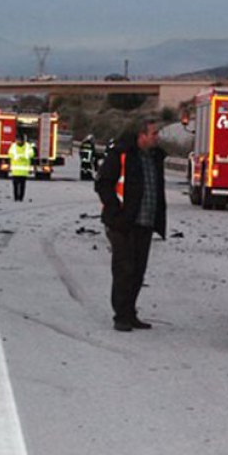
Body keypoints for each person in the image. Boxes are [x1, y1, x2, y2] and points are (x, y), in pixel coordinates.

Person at [95, 118, 166, 332]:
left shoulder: (154, 158)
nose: (157, 137)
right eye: (154, 133)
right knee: (124, 270)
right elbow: (103, 184)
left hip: (145, 223)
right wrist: (116, 211)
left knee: (137, 272)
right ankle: (121, 316)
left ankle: (130, 312)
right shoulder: (122, 155)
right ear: (141, 135)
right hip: (123, 224)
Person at [8, 134, 34, 202]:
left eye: (19, 140)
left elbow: (31, 154)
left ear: (22, 140)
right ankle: (16, 197)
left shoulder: (28, 146)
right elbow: (10, 154)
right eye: (17, 140)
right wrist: (22, 156)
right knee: (15, 186)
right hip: (15, 171)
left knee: (22, 185)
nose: (17, 141)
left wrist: (21, 156)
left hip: (23, 171)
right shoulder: (13, 146)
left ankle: (21, 198)